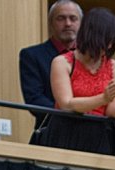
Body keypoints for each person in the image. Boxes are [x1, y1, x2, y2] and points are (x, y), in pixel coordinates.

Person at [43, 6, 115, 156]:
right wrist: (103, 98)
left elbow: (112, 111)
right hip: (66, 130)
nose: (110, 45)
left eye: (113, 41)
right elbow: (66, 104)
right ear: (92, 35)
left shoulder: (114, 66)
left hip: (98, 134)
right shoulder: (62, 62)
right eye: (107, 40)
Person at [18, 0, 78, 143]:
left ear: (81, 23)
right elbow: (35, 99)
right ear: (51, 23)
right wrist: (72, 112)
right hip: (51, 134)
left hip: (89, 136)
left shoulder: (91, 58)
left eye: (73, 18)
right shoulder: (32, 55)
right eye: (61, 18)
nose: (68, 23)